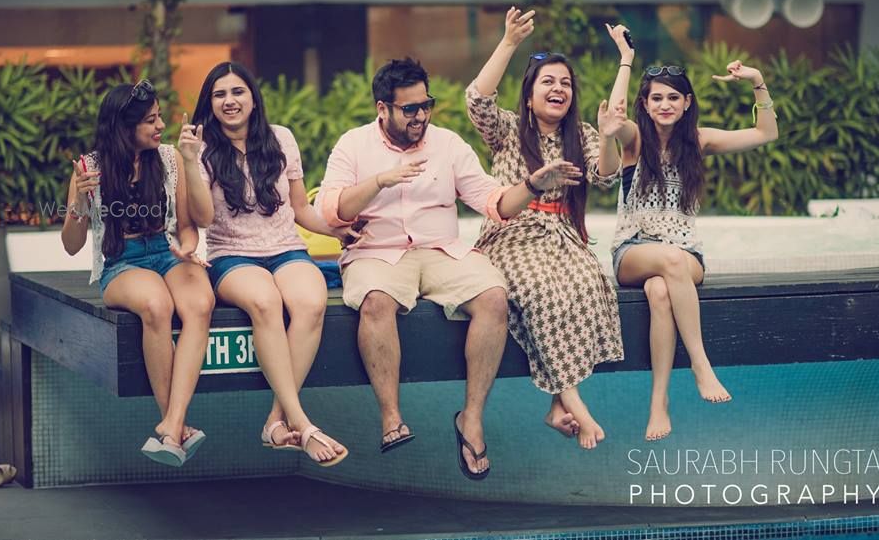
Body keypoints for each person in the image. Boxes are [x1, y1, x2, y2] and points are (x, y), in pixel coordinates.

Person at [316, 57, 582, 479]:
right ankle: (391, 417)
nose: (421, 115)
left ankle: (471, 418)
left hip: (442, 251)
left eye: (426, 105)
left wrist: (533, 185)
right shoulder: (354, 145)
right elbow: (330, 212)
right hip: (377, 253)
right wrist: (380, 181)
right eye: (409, 109)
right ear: (382, 108)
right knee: (375, 302)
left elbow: (493, 203)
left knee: (494, 297)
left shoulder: (448, 144)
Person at [465, 8, 627, 450]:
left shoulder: (584, 134)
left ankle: (557, 405)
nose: (558, 89)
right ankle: (576, 407)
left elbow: (607, 175)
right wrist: (509, 43)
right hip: (513, 235)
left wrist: (610, 136)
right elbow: (477, 100)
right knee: (537, 288)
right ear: (530, 93)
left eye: (565, 84)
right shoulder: (509, 131)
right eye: (548, 82)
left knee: (586, 282)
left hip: (563, 237)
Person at [181, 61, 352, 467]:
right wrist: (188, 161)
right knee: (265, 303)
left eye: (237, 92)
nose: (229, 101)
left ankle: (277, 419)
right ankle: (302, 423)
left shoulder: (281, 139)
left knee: (310, 303)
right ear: (210, 103)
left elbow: (300, 209)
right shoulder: (200, 150)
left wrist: (339, 231)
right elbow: (203, 219)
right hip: (231, 255)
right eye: (219, 94)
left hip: (286, 248)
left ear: (253, 98)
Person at [610, 55, 779, 441]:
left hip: (686, 255)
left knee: (659, 290)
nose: (664, 104)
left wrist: (758, 80)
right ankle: (701, 365)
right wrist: (625, 61)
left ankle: (658, 403)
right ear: (645, 104)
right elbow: (615, 120)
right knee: (668, 262)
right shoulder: (635, 140)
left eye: (673, 97)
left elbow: (765, 133)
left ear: (687, 102)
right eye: (656, 98)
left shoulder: (699, 141)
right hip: (634, 251)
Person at [61, 80, 214, 467]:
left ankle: (172, 426)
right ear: (123, 126)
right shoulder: (89, 168)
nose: (160, 125)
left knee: (201, 302)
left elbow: (187, 225)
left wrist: (189, 248)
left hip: (165, 253)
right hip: (122, 263)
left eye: (159, 116)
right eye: (150, 120)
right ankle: (177, 425)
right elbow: (72, 244)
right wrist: (79, 200)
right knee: (156, 305)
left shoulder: (168, 158)